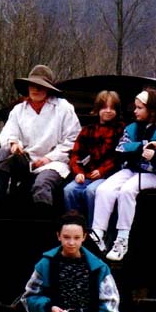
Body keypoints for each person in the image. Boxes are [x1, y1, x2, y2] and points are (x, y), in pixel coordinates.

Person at [90, 87, 156, 261]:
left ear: (152, 109)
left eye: (139, 108)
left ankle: (122, 239)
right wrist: (143, 146)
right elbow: (122, 147)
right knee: (104, 189)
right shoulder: (133, 128)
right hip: (133, 170)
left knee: (128, 190)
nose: (135, 111)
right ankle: (98, 234)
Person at [0, 65, 81, 213]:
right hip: (25, 160)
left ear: (48, 88)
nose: (35, 90)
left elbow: (72, 140)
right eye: (33, 85)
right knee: (1, 155)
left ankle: (43, 220)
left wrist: (48, 159)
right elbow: (8, 132)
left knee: (41, 185)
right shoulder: (19, 110)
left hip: (54, 163)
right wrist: (13, 143)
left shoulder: (63, 108)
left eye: (40, 86)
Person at [63, 90, 125, 221]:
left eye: (112, 108)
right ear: (97, 109)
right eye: (104, 107)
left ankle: (95, 230)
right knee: (69, 190)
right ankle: (75, 226)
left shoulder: (121, 130)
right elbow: (75, 154)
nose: (108, 111)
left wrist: (102, 171)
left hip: (109, 176)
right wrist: (78, 172)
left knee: (92, 191)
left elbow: (118, 157)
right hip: (86, 174)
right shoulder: (87, 130)